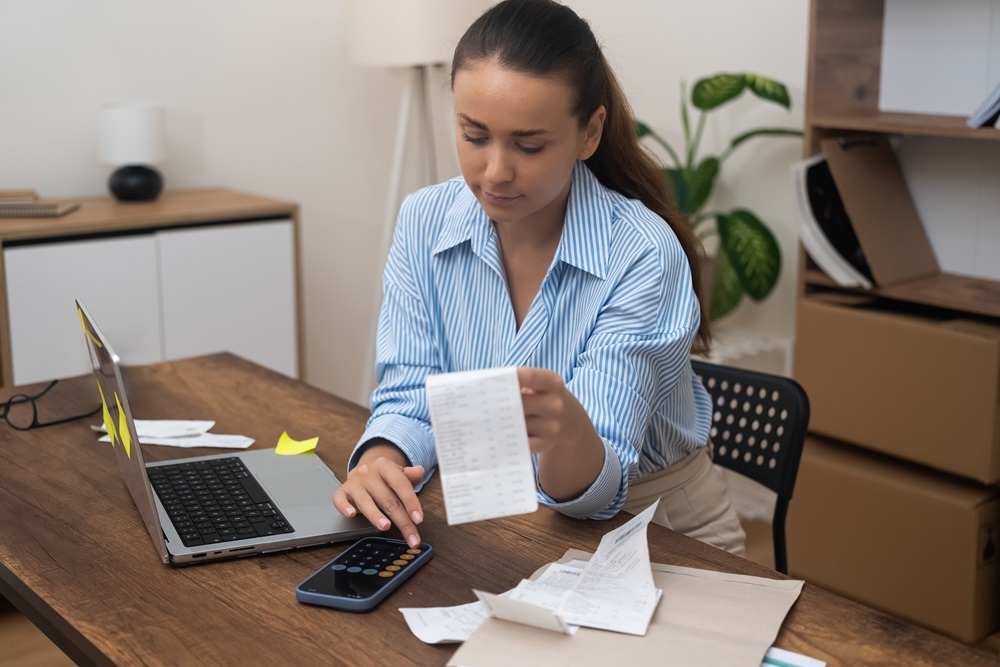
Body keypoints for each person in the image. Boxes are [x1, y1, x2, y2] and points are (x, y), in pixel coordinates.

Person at [333, 0, 745, 556]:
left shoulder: (641, 253)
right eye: (474, 136)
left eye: (529, 145)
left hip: (659, 529)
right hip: (509, 522)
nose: (496, 171)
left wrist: (569, 432)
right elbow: (410, 395)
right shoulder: (423, 221)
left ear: (589, 133)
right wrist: (381, 459)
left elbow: (596, 493)